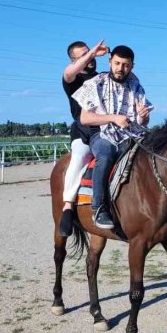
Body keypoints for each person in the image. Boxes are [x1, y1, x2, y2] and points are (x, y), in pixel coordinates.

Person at [73, 44, 152, 229]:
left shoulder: (136, 87)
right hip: (101, 134)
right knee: (106, 153)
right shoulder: (94, 83)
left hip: (131, 134)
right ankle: (99, 208)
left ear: (132, 66)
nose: (120, 68)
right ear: (109, 62)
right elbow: (85, 118)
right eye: (117, 63)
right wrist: (113, 118)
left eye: (125, 65)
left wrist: (143, 116)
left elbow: (142, 123)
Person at [59, 39, 109, 236]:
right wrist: (92, 54)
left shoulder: (102, 78)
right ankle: (68, 206)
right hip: (83, 131)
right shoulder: (71, 79)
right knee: (79, 157)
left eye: (90, 53)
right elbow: (68, 72)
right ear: (73, 60)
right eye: (84, 56)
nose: (91, 58)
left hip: (106, 128)